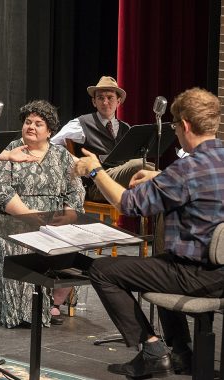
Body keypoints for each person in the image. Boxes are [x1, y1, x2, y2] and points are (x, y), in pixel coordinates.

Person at [73, 87, 224, 378]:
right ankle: (182, 353)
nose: (176, 133)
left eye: (175, 127)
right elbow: (201, 185)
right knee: (161, 262)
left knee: (103, 270)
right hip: (219, 273)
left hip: (197, 275)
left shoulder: (186, 170)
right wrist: (160, 176)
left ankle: (153, 350)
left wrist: (95, 171)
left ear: (186, 126)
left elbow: (127, 204)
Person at [0, 100, 85, 328]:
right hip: (10, 216)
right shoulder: (9, 150)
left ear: (50, 131)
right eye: (28, 122)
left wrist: (68, 216)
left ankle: (53, 303)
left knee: (75, 241)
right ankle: (18, 310)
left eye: (38, 123)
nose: (31, 127)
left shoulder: (62, 156)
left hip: (52, 217)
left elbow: (76, 190)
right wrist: (28, 215)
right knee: (18, 242)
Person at [52, 76, 151, 202]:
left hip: (123, 182)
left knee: (153, 183)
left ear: (118, 101)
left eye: (110, 97)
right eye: (100, 98)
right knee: (138, 165)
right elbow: (52, 145)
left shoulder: (126, 129)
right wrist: (76, 161)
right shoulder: (81, 123)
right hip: (97, 184)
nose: (105, 102)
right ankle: (175, 183)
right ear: (94, 102)